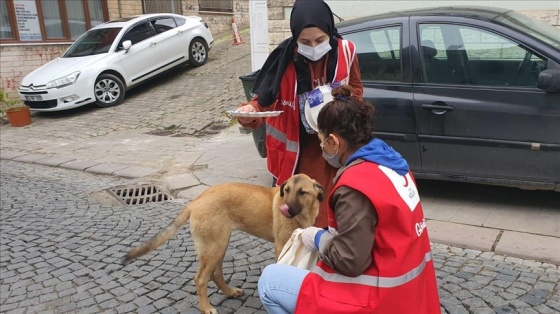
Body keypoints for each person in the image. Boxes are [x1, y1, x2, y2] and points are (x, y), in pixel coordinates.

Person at [257, 85, 441, 314]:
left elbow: (349, 261)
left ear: (334, 142)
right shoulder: (394, 164)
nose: (322, 147)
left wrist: (317, 237)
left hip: (381, 299)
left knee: (269, 281)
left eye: (322, 141)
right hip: (412, 292)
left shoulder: (354, 186)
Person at [236, 0, 363, 228]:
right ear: (295, 37)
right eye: (304, 42)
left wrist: (347, 102)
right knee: (292, 220)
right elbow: (263, 101)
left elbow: (357, 88)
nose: (313, 47)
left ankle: (325, 259)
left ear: (329, 32)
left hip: (333, 150)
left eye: (320, 40)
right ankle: (294, 261)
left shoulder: (347, 51)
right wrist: (249, 112)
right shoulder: (283, 60)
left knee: (329, 215)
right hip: (295, 156)